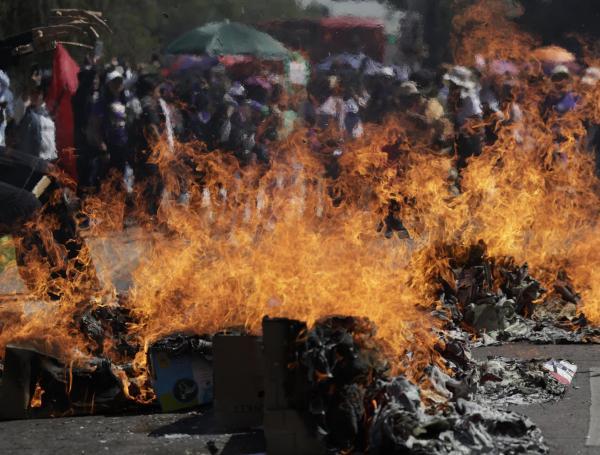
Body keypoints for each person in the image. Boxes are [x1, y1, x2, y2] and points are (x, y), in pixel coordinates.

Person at [17, 82, 57, 161]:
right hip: (27, 159)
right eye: (32, 92)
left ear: (43, 95)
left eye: (38, 93)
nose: (34, 95)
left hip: (45, 160)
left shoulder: (49, 115)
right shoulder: (26, 111)